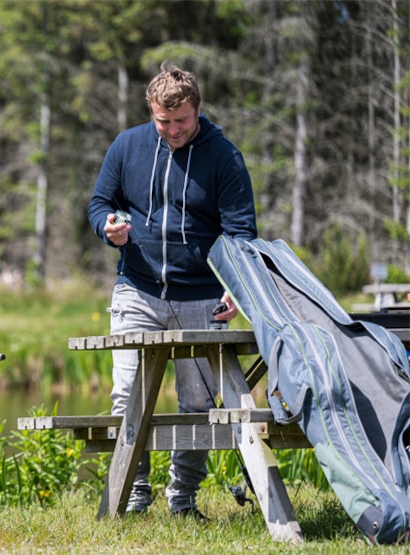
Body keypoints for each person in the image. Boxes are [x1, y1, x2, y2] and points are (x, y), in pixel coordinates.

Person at [87, 62, 257, 521]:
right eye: (163, 122)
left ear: (197, 109)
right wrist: (108, 227)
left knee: (198, 404)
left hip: (202, 296)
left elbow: (241, 234)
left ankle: (182, 500)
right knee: (127, 395)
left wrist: (235, 291)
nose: (173, 130)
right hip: (136, 292)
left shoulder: (224, 157)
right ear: (152, 112)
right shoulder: (128, 146)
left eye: (181, 121)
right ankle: (134, 494)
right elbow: (100, 203)